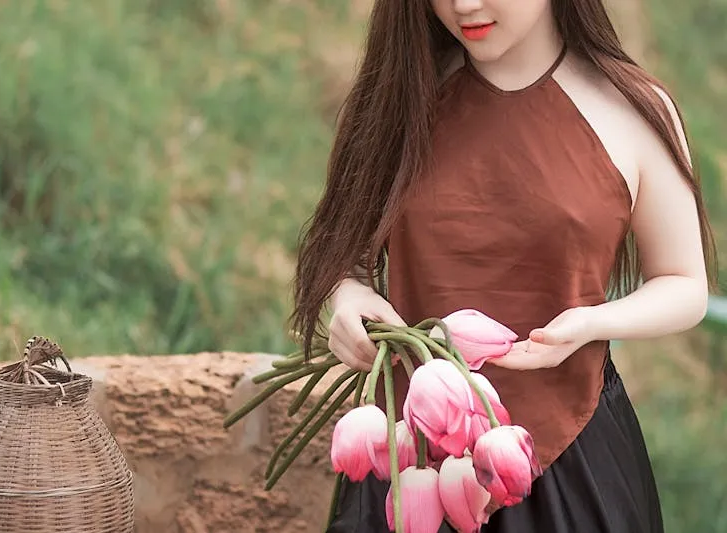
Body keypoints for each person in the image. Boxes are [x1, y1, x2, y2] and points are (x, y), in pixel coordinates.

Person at [291, 0, 717, 531]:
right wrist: (348, 295)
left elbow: (683, 285)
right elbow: (345, 250)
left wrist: (591, 322)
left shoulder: (632, 109)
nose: (464, 6)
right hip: (414, 465)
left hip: (569, 450)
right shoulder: (399, 97)